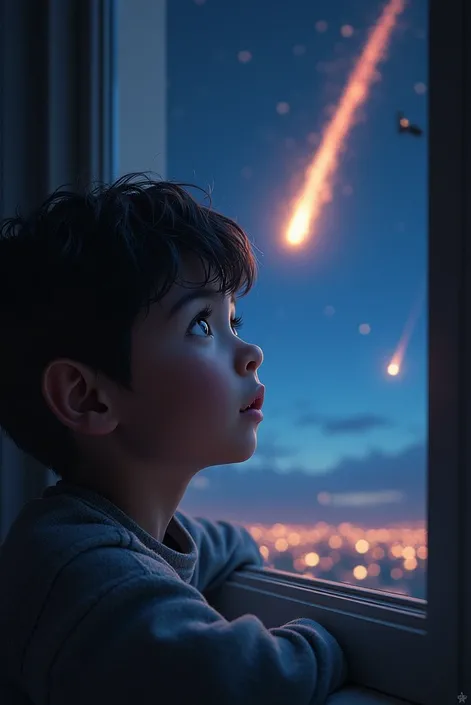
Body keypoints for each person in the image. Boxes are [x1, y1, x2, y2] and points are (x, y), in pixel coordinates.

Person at [0, 173, 347, 705]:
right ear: (88, 398)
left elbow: (227, 544)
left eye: (233, 319)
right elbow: (244, 682)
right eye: (203, 326)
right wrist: (337, 641)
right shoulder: (82, 572)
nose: (250, 350)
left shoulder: (96, 533)